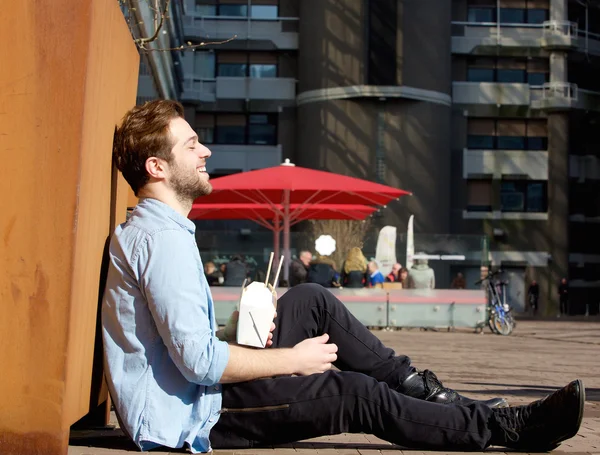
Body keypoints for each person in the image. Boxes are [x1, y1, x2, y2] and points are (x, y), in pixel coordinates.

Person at [102, 100, 584, 454]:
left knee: (311, 298)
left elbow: (181, 346)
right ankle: (505, 428)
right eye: (191, 145)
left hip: (197, 389)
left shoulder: (161, 231)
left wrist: (238, 333)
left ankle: (433, 396)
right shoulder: (162, 241)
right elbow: (198, 363)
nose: (205, 150)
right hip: (192, 418)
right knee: (354, 394)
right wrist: (293, 358)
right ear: (157, 166)